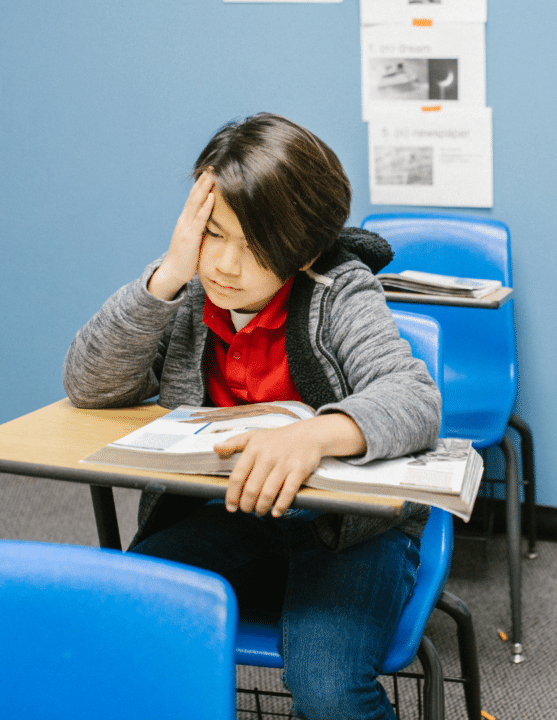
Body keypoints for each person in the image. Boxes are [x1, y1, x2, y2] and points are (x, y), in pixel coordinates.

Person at [63, 113, 440, 720]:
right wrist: (167, 277)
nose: (226, 267)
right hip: (233, 514)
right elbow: (89, 384)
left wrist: (314, 436)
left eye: (256, 246)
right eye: (213, 233)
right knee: (119, 620)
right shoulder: (188, 292)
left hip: (348, 530)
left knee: (327, 686)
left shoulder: (337, 290)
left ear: (305, 248)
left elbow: (414, 397)